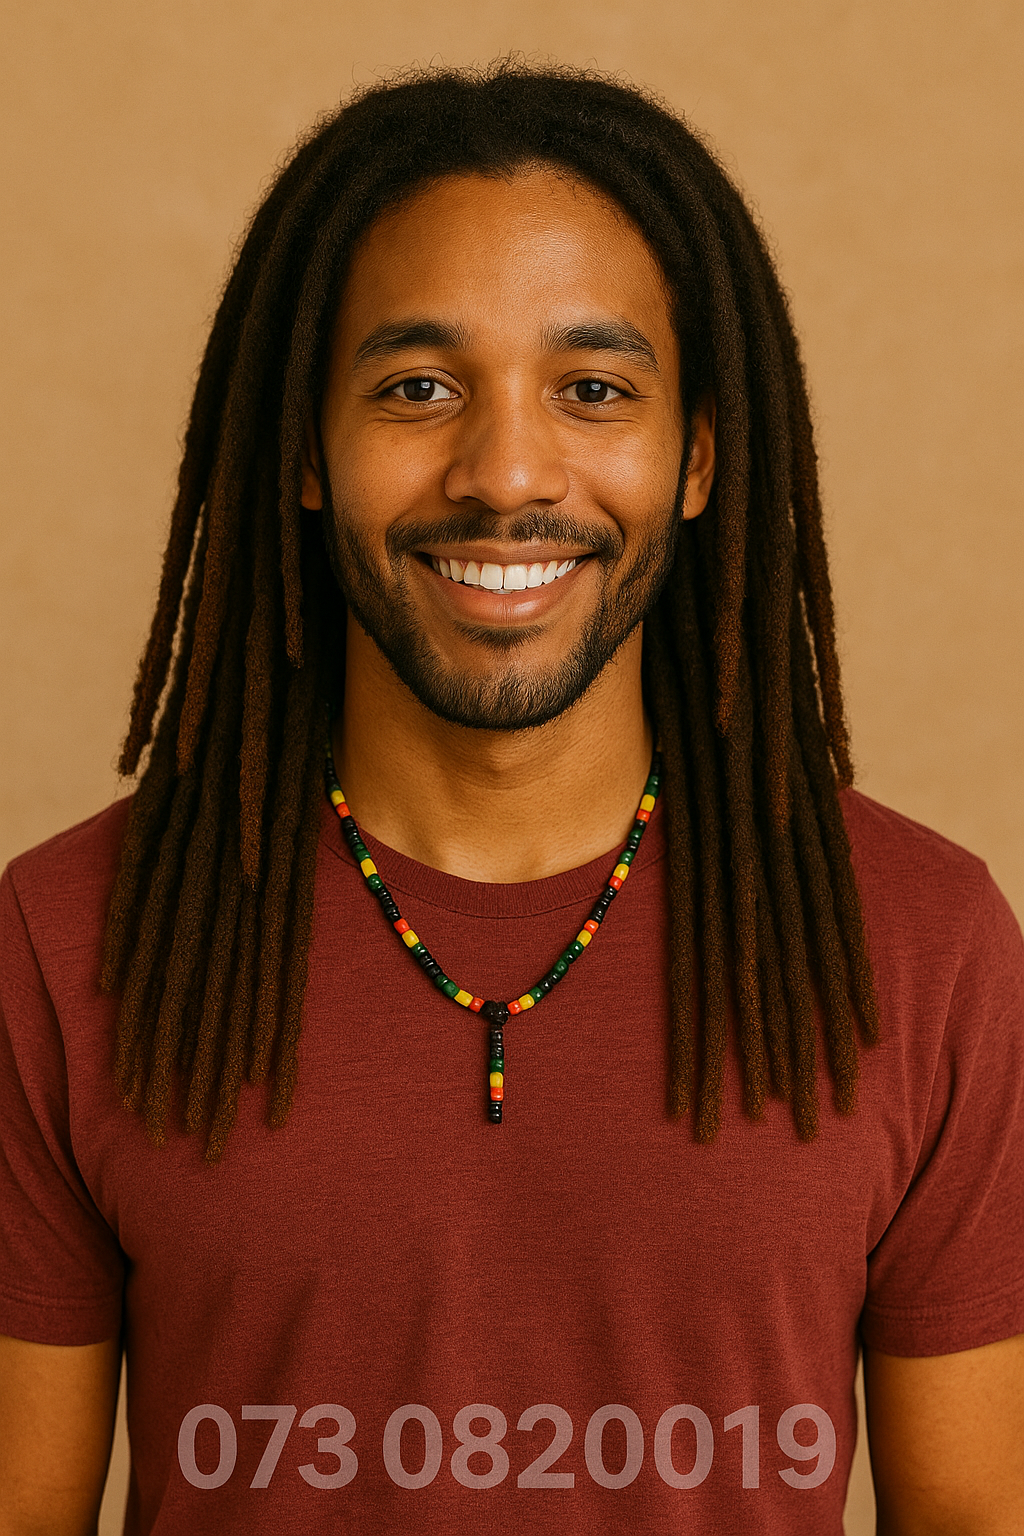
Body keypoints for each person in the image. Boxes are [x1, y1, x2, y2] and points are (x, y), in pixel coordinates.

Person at [0, 61, 1021, 1536]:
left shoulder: (921, 946)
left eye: (594, 390)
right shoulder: (67, 942)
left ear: (699, 459)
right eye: (418, 388)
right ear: (301, 446)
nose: (506, 471)